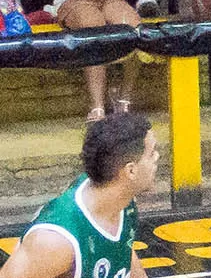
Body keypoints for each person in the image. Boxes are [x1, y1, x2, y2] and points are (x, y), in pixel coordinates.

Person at [0, 112, 157, 278]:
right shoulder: (54, 242)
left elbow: (123, 247)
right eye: (151, 153)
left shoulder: (121, 198)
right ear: (130, 170)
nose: (157, 157)